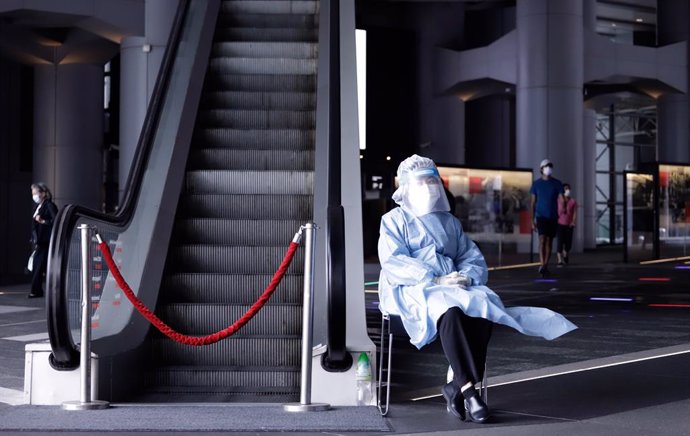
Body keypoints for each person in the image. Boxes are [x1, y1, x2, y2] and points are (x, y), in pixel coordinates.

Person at [378, 155, 577, 424]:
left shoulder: (449, 222)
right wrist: (433, 278)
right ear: (407, 186)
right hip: (411, 287)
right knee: (448, 311)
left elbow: (470, 256)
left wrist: (467, 278)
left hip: (451, 284)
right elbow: (393, 260)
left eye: (431, 180)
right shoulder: (394, 220)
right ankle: (469, 392)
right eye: (421, 181)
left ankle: (457, 388)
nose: (428, 186)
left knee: (485, 306)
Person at [530, 159, 564, 277]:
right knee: (542, 239)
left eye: (550, 166)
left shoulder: (557, 183)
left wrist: (563, 204)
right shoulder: (536, 184)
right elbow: (533, 203)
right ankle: (542, 264)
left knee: (549, 241)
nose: (548, 168)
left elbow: (561, 198)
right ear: (541, 169)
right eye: (546, 166)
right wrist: (532, 220)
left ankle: (545, 265)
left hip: (553, 216)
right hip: (541, 216)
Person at [29, 183, 58, 298]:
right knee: (39, 266)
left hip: (47, 241)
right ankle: (38, 290)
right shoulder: (39, 207)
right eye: (33, 194)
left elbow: (56, 220)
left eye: (36, 193)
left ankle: (36, 291)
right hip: (41, 241)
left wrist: (43, 221)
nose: (34, 196)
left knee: (38, 265)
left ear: (43, 193)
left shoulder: (49, 205)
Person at [556, 183, 577, 266]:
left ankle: (566, 253)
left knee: (568, 243)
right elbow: (557, 212)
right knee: (560, 242)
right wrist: (563, 204)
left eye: (568, 189)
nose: (567, 190)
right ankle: (559, 259)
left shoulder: (573, 201)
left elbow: (574, 212)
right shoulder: (558, 200)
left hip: (569, 224)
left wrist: (573, 221)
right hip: (559, 223)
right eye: (565, 189)